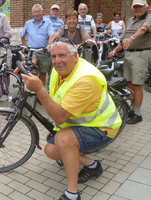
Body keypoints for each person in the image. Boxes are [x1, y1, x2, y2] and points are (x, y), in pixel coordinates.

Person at [22, 37, 121, 200]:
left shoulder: (86, 80)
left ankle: (72, 194)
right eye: (53, 57)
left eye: (62, 55)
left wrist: (39, 90)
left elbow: (60, 117)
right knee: (50, 150)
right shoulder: (62, 68)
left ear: (75, 56)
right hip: (84, 123)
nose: (57, 61)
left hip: (102, 128)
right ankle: (93, 165)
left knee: (63, 139)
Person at [109, 0, 151, 124]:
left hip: (141, 54)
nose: (138, 9)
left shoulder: (149, 18)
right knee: (129, 84)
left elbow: (143, 30)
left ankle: (138, 114)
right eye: (135, 7)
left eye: (140, 6)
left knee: (137, 85)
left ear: (146, 7)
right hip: (128, 54)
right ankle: (132, 109)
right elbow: (124, 40)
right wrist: (115, 50)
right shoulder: (130, 20)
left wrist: (132, 38)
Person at [21, 4, 54, 90]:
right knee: (33, 65)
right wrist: (24, 46)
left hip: (43, 51)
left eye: (39, 11)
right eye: (35, 12)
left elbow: (51, 35)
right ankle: (34, 89)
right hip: (32, 51)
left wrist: (49, 45)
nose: (37, 13)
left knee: (43, 75)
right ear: (32, 13)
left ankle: (41, 93)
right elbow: (22, 36)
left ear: (42, 12)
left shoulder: (48, 22)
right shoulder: (28, 23)